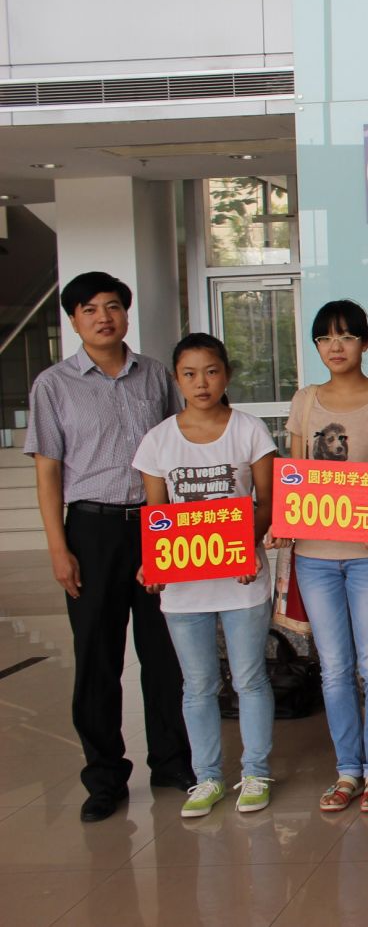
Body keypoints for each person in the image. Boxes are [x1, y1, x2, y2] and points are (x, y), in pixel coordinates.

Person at [27, 271, 189, 823]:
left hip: (156, 524)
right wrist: (59, 548)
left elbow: (178, 447)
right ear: (74, 319)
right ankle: (104, 777)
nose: (104, 317)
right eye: (90, 309)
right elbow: (48, 472)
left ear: (126, 312)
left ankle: (172, 762)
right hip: (92, 530)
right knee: (97, 657)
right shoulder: (53, 385)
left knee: (164, 652)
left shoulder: (157, 376)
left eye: (113, 306)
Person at [280, 299, 368, 815]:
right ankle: (347, 770)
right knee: (334, 667)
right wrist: (284, 523)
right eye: (325, 338)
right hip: (314, 555)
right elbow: (295, 471)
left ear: (365, 343)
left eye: (345, 336)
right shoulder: (305, 401)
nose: (335, 347)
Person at [132, 334, 278, 817]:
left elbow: (266, 502)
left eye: (211, 371)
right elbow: (157, 515)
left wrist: (247, 546)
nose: (202, 383)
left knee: (249, 679)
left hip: (242, 580)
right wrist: (152, 561)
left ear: (226, 375)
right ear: (177, 380)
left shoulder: (249, 430)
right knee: (197, 685)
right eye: (190, 374)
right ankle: (208, 777)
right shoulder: (158, 440)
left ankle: (255, 772)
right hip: (184, 589)